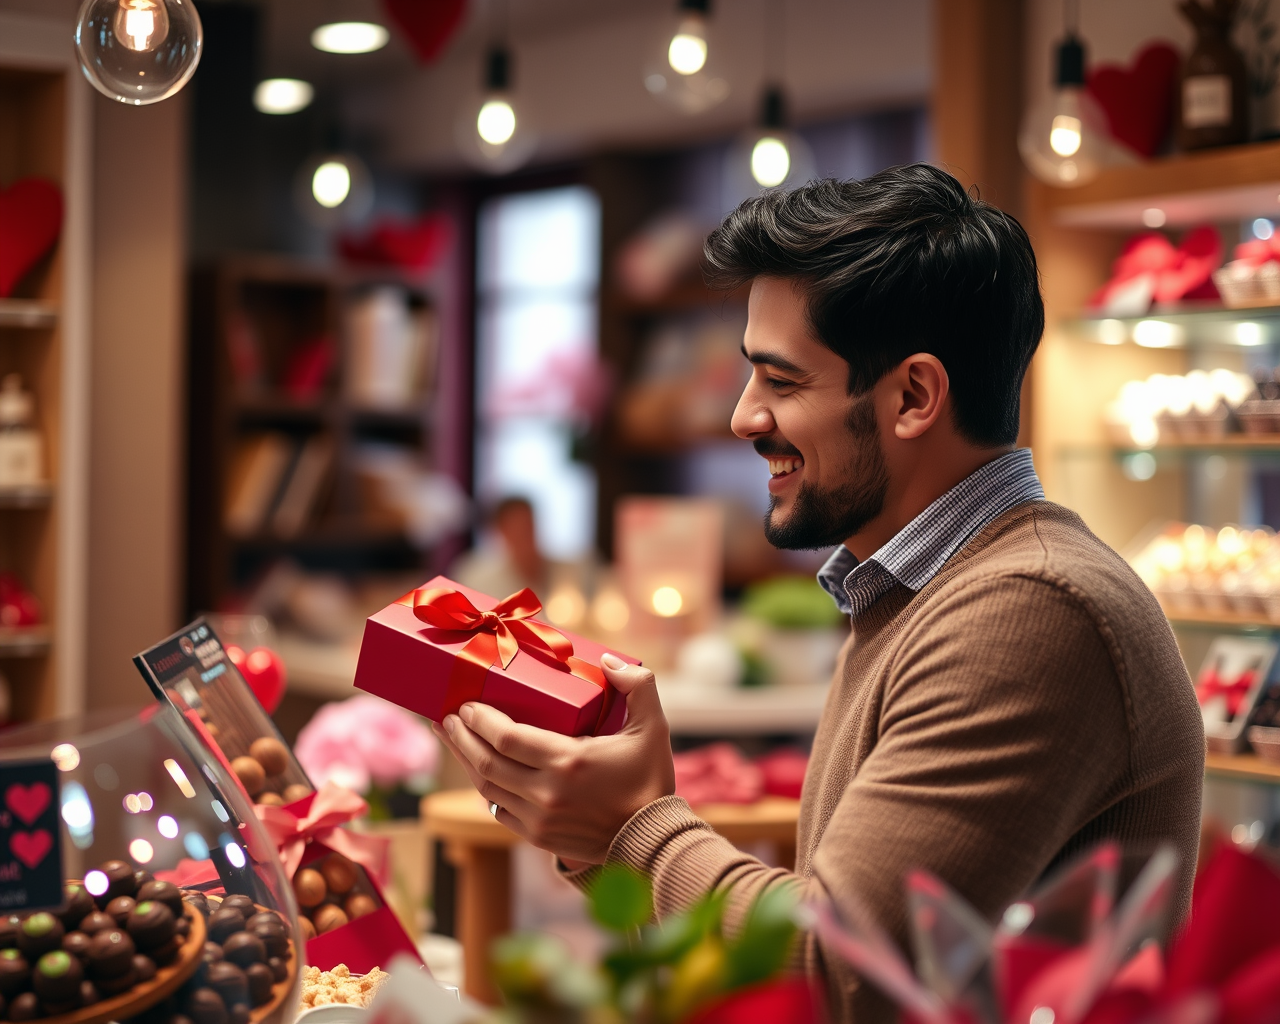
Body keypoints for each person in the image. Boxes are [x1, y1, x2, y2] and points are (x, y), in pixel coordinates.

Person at [430, 164, 1205, 1021]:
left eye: (782, 381)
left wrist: (636, 828)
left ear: (913, 395)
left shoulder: (1029, 609)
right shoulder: (916, 587)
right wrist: (604, 832)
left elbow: (837, 977)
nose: (742, 417)